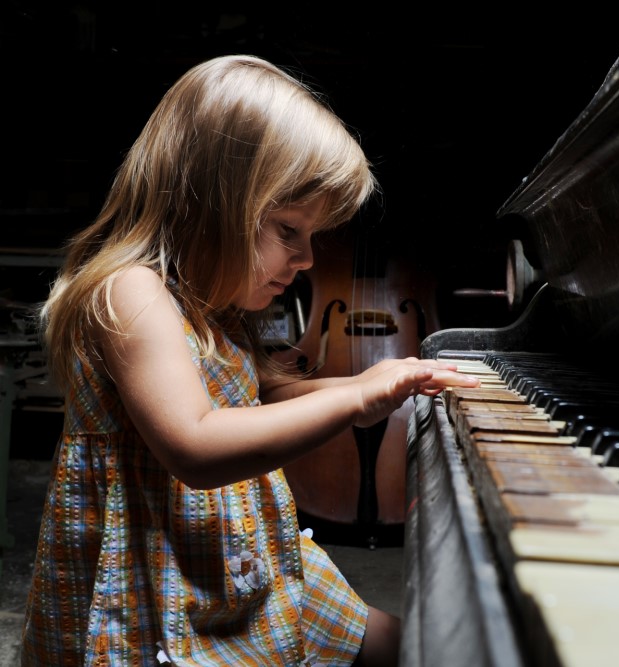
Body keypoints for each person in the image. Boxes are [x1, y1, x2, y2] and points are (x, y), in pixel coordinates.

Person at [19, 54, 479, 667]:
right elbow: (197, 444)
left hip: (250, 559)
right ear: (210, 202)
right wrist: (356, 399)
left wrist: (371, 382)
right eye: (289, 230)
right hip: (162, 581)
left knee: (421, 650)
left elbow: (252, 404)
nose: (309, 259)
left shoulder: (216, 305)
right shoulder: (130, 292)